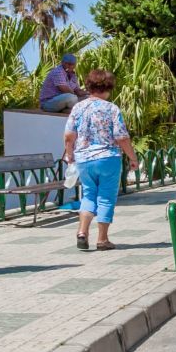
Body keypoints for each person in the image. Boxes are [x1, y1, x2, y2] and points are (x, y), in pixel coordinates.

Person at [62, 68, 139, 250]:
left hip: (84, 159)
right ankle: (102, 239)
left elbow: (68, 135)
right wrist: (132, 157)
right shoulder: (111, 108)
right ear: (108, 87)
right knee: (105, 197)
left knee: (89, 195)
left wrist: (70, 154)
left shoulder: (78, 108)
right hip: (108, 158)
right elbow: (121, 137)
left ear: (89, 86)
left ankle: (82, 232)